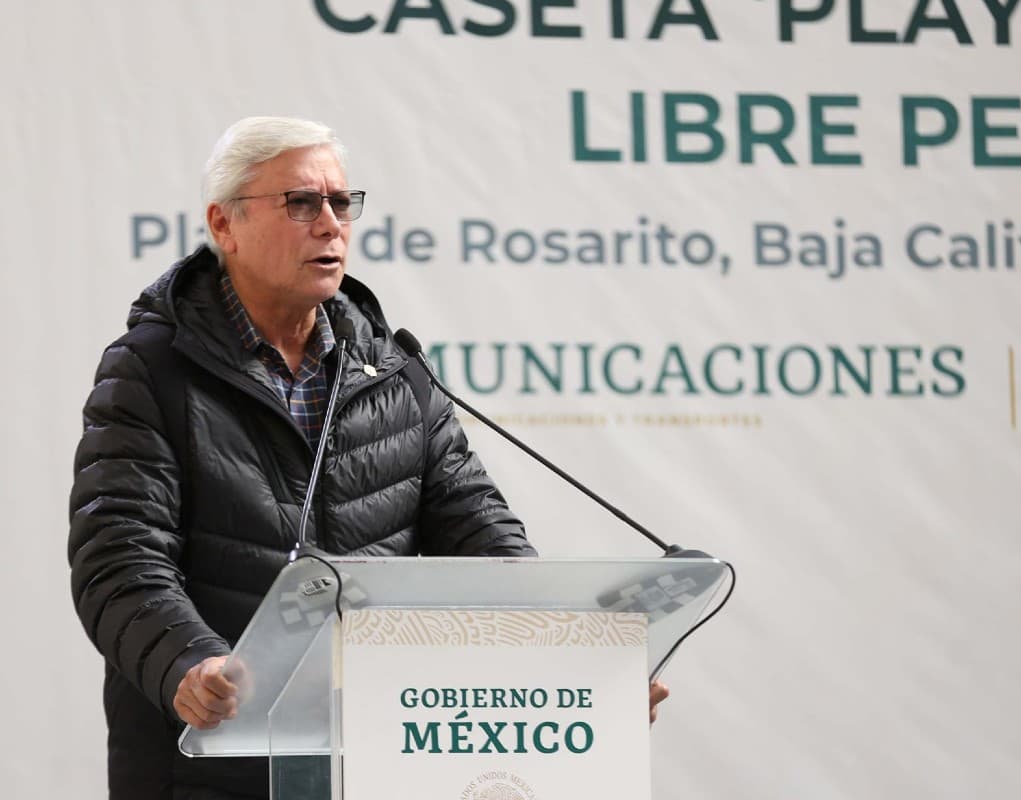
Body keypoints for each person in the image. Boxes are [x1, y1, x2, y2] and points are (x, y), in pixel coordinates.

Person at [69, 116, 665, 800]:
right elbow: (119, 556)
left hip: (380, 758)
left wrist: (573, 668)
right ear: (223, 224)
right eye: (300, 202)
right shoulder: (153, 368)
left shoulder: (394, 371)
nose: (330, 224)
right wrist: (189, 664)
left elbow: (482, 539)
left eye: (340, 202)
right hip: (207, 766)